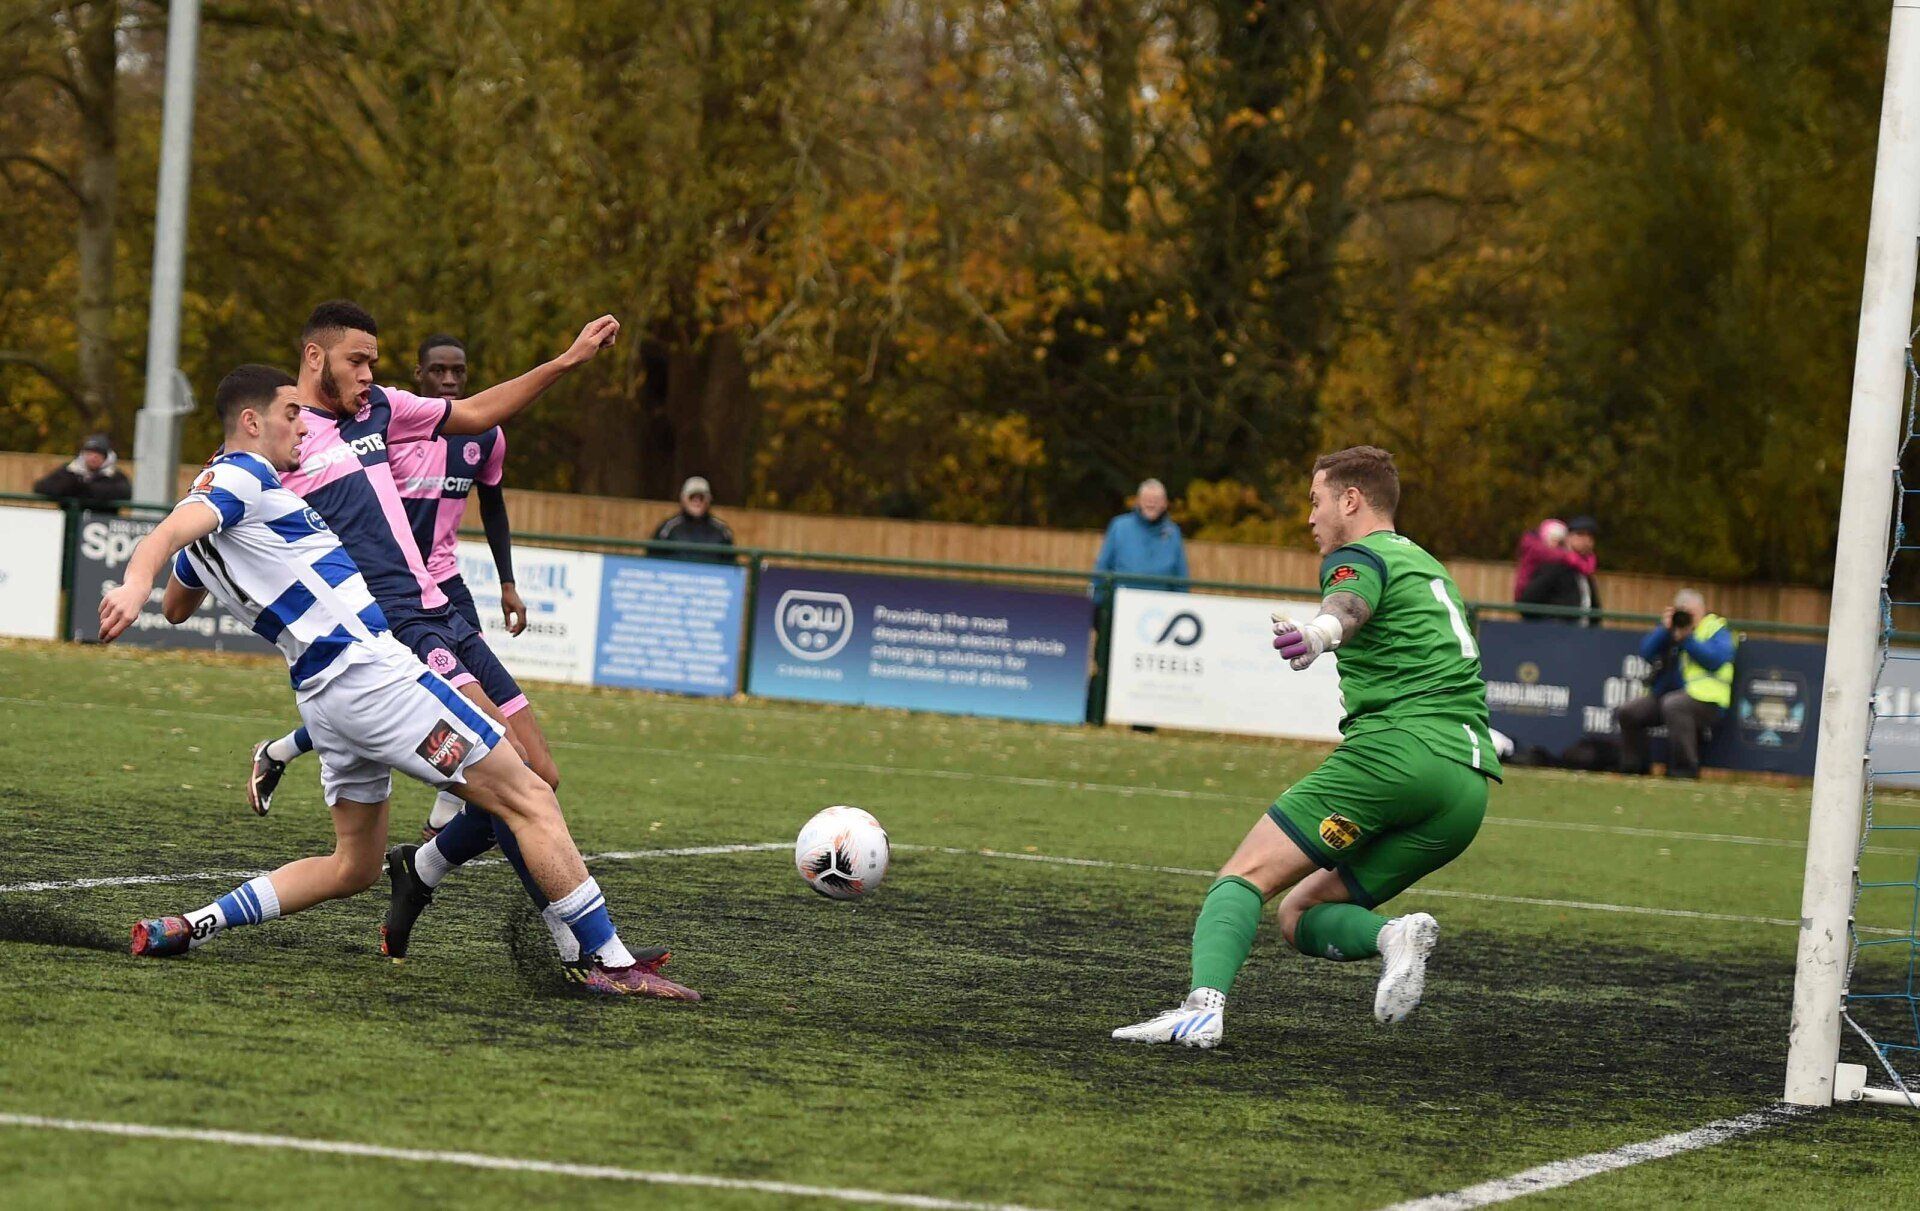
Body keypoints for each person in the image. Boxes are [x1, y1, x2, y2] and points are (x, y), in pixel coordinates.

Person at [99, 364, 695, 999]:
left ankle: (193, 924)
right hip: (371, 675)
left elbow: (178, 601)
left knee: (353, 866)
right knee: (528, 790)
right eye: (291, 414)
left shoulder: (229, 501)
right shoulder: (241, 477)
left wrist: (189, 565)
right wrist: (134, 583)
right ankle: (607, 961)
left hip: (323, 697)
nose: (302, 426)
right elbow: (170, 530)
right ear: (251, 422)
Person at [242, 301, 613, 973]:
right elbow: (220, 506)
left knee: (542, 775)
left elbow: (475, 413)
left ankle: (423, 865)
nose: (368, 374)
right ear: (315, 357)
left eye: (373, 362)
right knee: (514, 776)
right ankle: (580, 943)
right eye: (358, 360)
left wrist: (565, 362)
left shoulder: (380, 408)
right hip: (392, 626)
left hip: (443, 605)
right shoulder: (282, 436)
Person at [1112, 445, 1498, 1049]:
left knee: (1243, 876)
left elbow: (1349, 605)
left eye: (1316, 501)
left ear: (1351, 500)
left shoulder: (1357, 555)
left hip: (1395, 757)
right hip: (1465, 790)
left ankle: (1201, 1009)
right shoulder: (1427, 565)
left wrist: (1319, 633)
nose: (1310, 517)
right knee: (1298, 915)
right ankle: (1392, 936)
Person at [1616, 588, 1737, 779]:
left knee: (1674, 704)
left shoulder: (1716, 629)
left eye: (1691, 613)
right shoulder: (1671, 629)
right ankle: (1635, 767)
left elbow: (1715, 660)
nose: (1687, 617)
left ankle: (1685, 769)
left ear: (1702, 610)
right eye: (1682, 612)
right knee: (1629, 712)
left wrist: (1687, 639)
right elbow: (1646, 652)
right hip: (1668, 695)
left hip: (1706, 701)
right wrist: (1664, 630)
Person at [1091, 478, 1188, 603]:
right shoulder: (1119, 526)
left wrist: (1181, 604)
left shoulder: (1174, 533)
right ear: (1138, 501)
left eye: (1156, 500)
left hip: (1161, 605)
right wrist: (1098, 605)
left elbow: (1181, 577)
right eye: (1147, 499)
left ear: (1164, 503)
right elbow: (1102, 567)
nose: (1151, 503)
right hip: (1121, 603)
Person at [1516, 516, 1601, 625]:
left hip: (1583, 633)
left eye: (1590, 536)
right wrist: (1552, 623)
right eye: (1580, 534)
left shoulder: (1585, 572)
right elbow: (1528, 602)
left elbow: (1593, 609)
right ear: (1567, 538)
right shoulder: (1554, 566)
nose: (1586, 540)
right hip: (1556, 632)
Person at [650, 476, 736, 562]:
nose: (697, 501)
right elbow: (652, 560)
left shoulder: (722, 530)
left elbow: (731, 564)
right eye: (692, 497)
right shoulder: (668, 528)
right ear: (683, 499)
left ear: (709, 499)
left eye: (701, 497)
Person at [33, 433, 131, 504]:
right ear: (83, 454)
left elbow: (125, 493)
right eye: (89, 453)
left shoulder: (115, 475)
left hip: (102, 522)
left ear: (106, 457)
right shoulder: (70, 470)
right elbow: (41, 487)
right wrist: (70, 485)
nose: (93, 457)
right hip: (71, 522)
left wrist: (86, 488)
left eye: (98, 454)